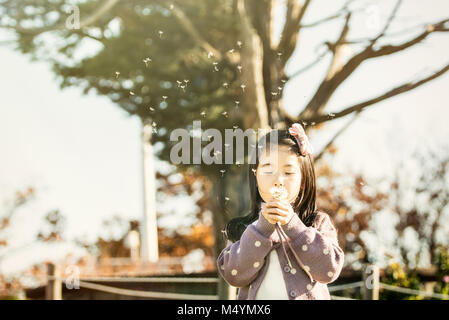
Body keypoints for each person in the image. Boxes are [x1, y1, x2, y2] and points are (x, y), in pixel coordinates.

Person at [217, 123, 345, 300]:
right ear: (255, 175)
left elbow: (329, 270)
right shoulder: (244, 227)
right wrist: (262, 229)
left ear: (304, 179)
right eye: (268, 169)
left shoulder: (316, 222)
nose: (278, 180)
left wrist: (294, 226)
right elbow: (233, 274)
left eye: (288, 172)